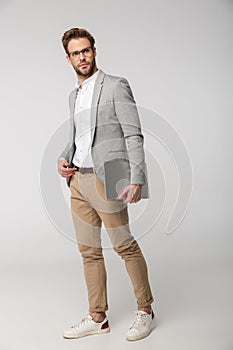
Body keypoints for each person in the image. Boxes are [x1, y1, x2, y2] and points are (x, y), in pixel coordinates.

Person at [57, 27, 155, 341]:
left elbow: (133, 134)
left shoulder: (115, 86)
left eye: (85, 50)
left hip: (109, 176)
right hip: (78, 181)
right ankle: (98, 317)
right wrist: (64, 156)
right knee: (89, 251)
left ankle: (146, 310)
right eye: (75, 53)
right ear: (68, 58)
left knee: (124, 245)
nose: (81, 57)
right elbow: (80, 138)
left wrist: (136, 177)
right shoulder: (74, 95)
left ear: (95, 50)